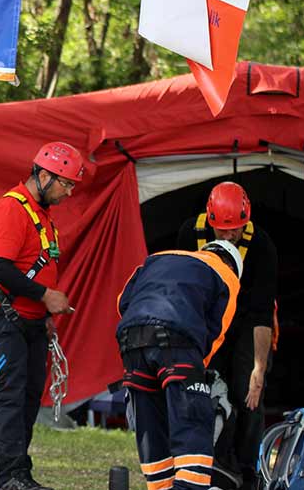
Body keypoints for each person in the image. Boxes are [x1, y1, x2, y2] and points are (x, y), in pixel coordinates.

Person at [0, 141, 84, 490]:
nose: (68, 192)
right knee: (11, 396)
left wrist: (45, 314)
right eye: (65, 183)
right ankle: (8, 478)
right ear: (45, 175)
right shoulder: (11, 209)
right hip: (3, 317)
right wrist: (46, 296)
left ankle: (21, 474)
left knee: (30, 396)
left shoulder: (43, 217)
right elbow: (1, 269)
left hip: (31, 320)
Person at [116, 240, 243, 490]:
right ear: (233, 265)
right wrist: (198, 368)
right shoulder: (226, 275)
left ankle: (161, 487)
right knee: (193, 420)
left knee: (151, 423)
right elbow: (218, 327)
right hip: (178, 342)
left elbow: (123, 301)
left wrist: (140, 335)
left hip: (131, 340)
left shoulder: (157, 257)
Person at [176, 181, 278, 490]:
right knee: (204, 387)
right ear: (210, 220)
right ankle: (207, 460)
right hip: (206, 319)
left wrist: (259, 368)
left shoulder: (261, 246)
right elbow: (178, 287)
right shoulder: (190, 233)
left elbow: (262, 314)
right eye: (222, 231)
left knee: (247, 392)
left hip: (248, 322)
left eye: (235, 230)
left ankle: (246, 469)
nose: (228, 236)